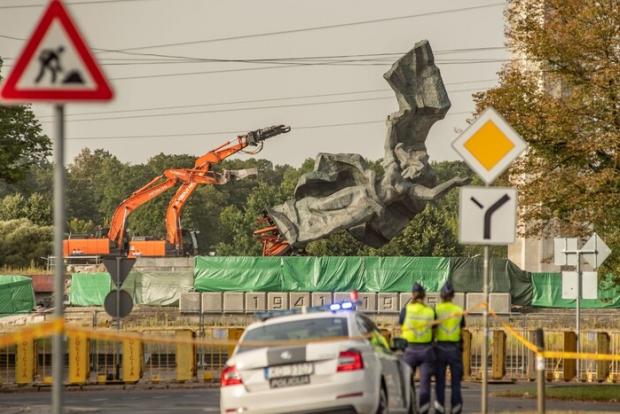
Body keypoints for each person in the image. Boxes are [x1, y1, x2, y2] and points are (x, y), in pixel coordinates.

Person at [399, 282, 435, 414]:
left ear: (412, 295)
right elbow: (434, 330)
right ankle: (424, 411)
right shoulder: (430, 311)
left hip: (409, 351)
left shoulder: (406, 310)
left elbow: (401, 323)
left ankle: (409, 409)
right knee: (425, 384)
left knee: (407, 383)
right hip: (426, 351)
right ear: (424, 295)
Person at [434, 282, 465, 414]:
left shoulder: (436, 310)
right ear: (453, 296)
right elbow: (462, 327)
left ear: (441, 295)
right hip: (454, 349)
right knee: (455, 382)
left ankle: (439, 409)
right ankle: (456, 408)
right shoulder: (458, 310)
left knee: (440, 381)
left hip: (440, 348)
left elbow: (432, 328)